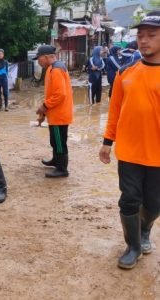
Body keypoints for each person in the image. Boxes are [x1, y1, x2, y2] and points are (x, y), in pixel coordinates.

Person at [99, 11, 160, 270]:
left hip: (157, 155)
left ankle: (145, 229)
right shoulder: (126, 72)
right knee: (129, 199)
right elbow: (114, 111)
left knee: (155, 203)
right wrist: (107, 142)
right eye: (140, 35)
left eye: (151, 35)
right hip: (129, 152)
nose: (144, 40)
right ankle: (133, 246)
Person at [33, 45, 74, 178]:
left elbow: (59, 94)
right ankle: (56, 161)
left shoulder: (56, 69)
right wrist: (44, 113)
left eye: (38, 59)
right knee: (55, 140)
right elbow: (53, 94)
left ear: (45, 57)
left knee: (59, 142)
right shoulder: (53, 68)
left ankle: (62, 169)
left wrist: (44, 106)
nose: (38, 62)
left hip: (59, 115)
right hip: (56, 113)